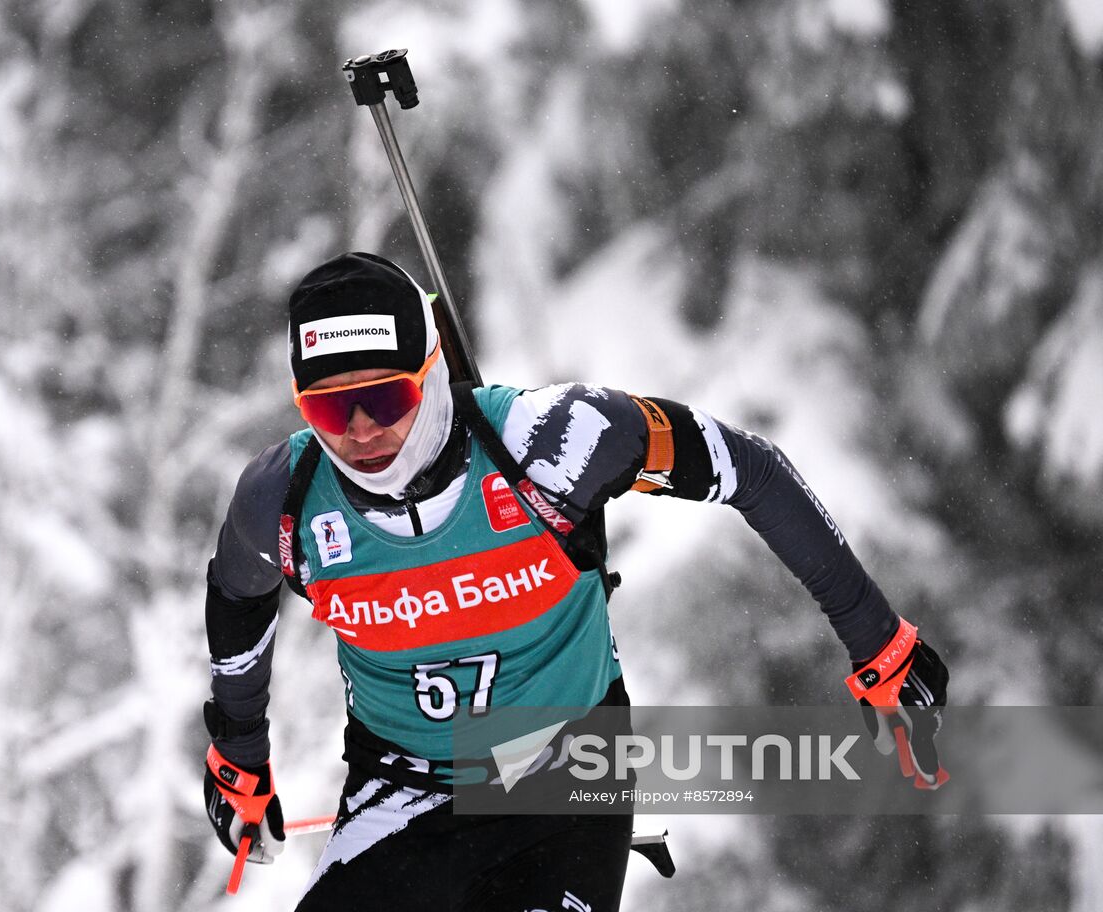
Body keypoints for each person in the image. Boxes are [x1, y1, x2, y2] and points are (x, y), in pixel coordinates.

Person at [201, 252, 949, 911]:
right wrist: (240, 750)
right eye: (330, 408)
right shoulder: (287, 498)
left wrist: (876, 639)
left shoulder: (552, 444)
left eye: (385, 399)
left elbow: (748, 469)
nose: (360, 431)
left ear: (432, 370)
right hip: (400, 791)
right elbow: (239, 595)